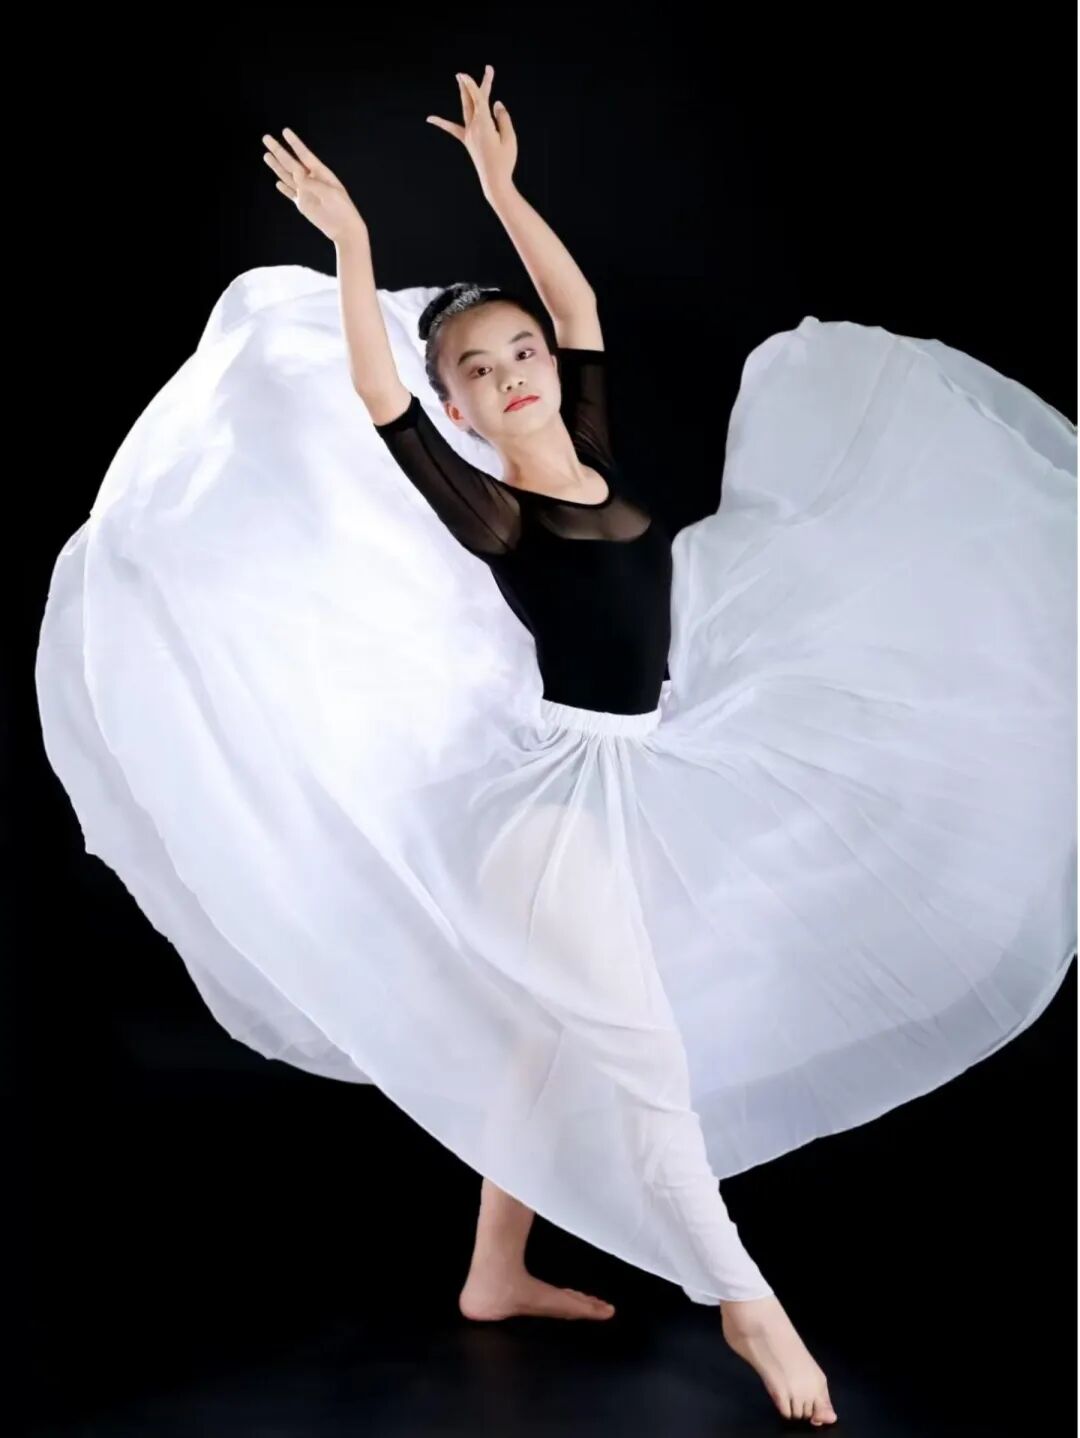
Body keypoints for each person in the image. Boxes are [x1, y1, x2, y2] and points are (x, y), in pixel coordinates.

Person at [36, 66, 1076, 1430]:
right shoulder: (493, 511)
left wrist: (502, 190)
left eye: (519, 354)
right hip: (552, 805)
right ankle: (750, 1306)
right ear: (458, 411)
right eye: (477, 372)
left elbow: (575, 308)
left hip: (649, 766)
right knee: (643, 1059)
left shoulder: (585, 443)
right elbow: (379, 396)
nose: (511, 374)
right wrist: (355, 248)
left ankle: (494, 1271)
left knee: (541, 1042)